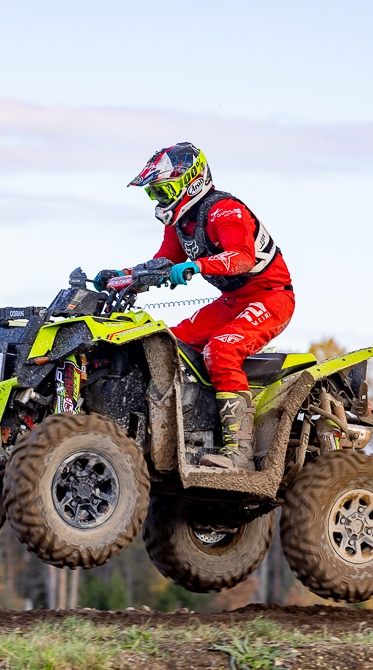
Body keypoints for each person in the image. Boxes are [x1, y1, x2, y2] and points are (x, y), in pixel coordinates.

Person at [119, 142, 294, 470]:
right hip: (231, 301)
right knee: (168, 343)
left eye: (163, 190)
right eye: (154, 193)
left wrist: (197, 266)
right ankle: (192, 429)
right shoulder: (179, 223)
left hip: (271, 297)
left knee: (222, 349)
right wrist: (122, 276)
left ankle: (239, 452)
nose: (159, 200)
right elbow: (163, 261)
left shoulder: (224, 210)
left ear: (191, 182)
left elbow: (242, 258)